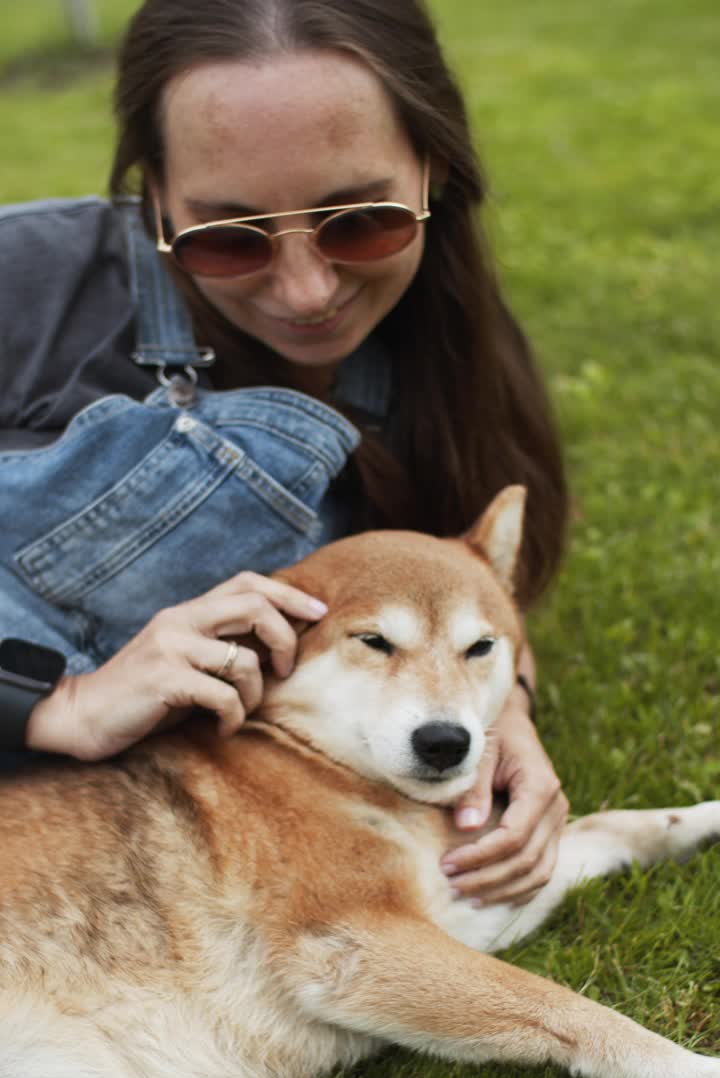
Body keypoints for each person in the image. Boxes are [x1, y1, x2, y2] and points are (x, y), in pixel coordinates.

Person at [0, 0, 569, 904]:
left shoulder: (443, 352)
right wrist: (48, 705)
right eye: (228, 237)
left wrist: (505, 715)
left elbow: (472, 590)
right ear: (155, 197)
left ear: (434, 171)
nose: (306, 292)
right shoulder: (20, 285)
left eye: (361, 222)